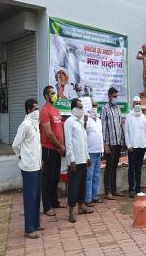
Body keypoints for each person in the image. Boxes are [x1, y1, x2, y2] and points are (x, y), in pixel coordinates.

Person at [12, 99, 42, 239]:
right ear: (29, 110)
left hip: (37, 165)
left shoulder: (35, 124)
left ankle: (35, 223)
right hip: (28, 167)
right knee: (30, 197)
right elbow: (15, 144)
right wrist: (21, 157)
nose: (37, 111)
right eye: (35, 109)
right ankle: (29, 229)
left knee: (36, 197)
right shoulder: (25, 125)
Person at [64, 99, 93, 222]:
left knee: (82, 185)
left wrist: (87, 157)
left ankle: (81, 207)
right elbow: (68, 142)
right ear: (73, 108)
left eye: (82, 107)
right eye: (79, 107)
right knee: (73, 187)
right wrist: (71, 159)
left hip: (83, 159)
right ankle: (71, 211)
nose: (82, 109)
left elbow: (84, 142)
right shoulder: (69, 122)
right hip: (74, 161)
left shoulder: (80, 122)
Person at [40, 86, 66, 216]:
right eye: (52, 93)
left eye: (54, 93)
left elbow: (60, 129)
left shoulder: (56, 110)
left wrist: (62, 145)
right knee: (47, 179)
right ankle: (47, 206)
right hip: (49, 149)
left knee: (56, 178)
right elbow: (49, 134)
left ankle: (55, 201)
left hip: (57, 149)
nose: (54, 95)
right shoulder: (44, 111)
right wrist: (59, 146)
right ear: (46, 96)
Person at [101, 87, 125, 200]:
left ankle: (114, 189)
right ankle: (107, 191)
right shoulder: (105, 109)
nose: (116, 98)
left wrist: (123, 140)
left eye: (117, 96)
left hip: (118, 142)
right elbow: (104, 127)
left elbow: (120, 125)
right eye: (114, 96)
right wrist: (105, 144)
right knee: (109, 167)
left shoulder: (118, 108)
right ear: (109, 96)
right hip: (110, 143)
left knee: (115, 166)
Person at [125, 96, 146, 198]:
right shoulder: (129, 116)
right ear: (132, 104)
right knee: (132, 169)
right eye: (135, 103)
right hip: (132, 147)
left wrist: (145, 144)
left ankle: (138, 188)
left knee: (139, 169)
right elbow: (126, 132)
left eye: (139, 103)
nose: (137, 105)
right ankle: (131, 189)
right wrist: (128, 145)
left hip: (141, 147)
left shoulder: (143, 117)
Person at [85, 99, 104, 206]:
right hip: (90, 152)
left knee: (96, 175)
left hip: (98, 152)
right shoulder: (86, 120)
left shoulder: (99, 120)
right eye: (93, 105)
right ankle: (87, 199)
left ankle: (94, 196)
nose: (95, 107)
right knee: (89, 177)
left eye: (96, 105)